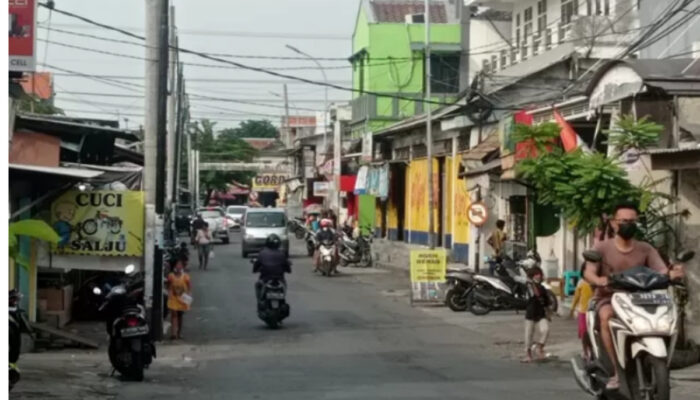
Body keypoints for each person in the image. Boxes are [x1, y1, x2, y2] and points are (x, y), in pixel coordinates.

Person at [583, 201, 685, 390]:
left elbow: (661, 270)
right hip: (609, 297)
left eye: (632, 221)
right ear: (614, 223)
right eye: (623, 221)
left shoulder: (645, 248)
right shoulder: (601, 248)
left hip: (640, 299)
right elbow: (589, 272)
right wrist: (599, 280)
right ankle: (615, 371)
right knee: (606, 316)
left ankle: (659, 367)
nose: (628, 224)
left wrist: (672, 274)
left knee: (665, 317)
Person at [523, 266, 551, 363]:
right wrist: (529, 283)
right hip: (530, 313)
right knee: (528, 335)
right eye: (536, 274)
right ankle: (528, 354)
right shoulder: (528, 286)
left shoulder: (542, 288)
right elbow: (530, 295)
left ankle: (539, 347)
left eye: (539, 274)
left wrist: (548, 313)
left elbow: (546, 302)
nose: (538, 276)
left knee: (546, 330)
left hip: (541, 313)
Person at [253, 234, 291, 306]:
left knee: (257, 285)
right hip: (279, 278)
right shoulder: (282, 254)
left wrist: (255, 269)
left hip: (265, 278)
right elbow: (288, 269)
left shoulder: (262, 253)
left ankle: (259, 301)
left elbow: (256, 266)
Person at [167, 259, 191, 340]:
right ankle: (173, 333)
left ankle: (179, 333)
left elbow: (189, 287)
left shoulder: (185, 276)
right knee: (174, 314)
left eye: (180, 265)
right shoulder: (171, 276)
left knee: (180, 315)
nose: (179, 266)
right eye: (177, 265)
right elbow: (169, 287)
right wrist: (170, 295)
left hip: (182, 298)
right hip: (173, 297)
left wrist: (188, 295)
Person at [570, 278, 593, 360]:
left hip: (593, 310)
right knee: (584, 332)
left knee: (592, 332)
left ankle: (592, 350)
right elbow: (576, 296)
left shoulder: (597, 280)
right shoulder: (581, 282)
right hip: (582, 311)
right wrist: (572, 308)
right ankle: (585, 351)